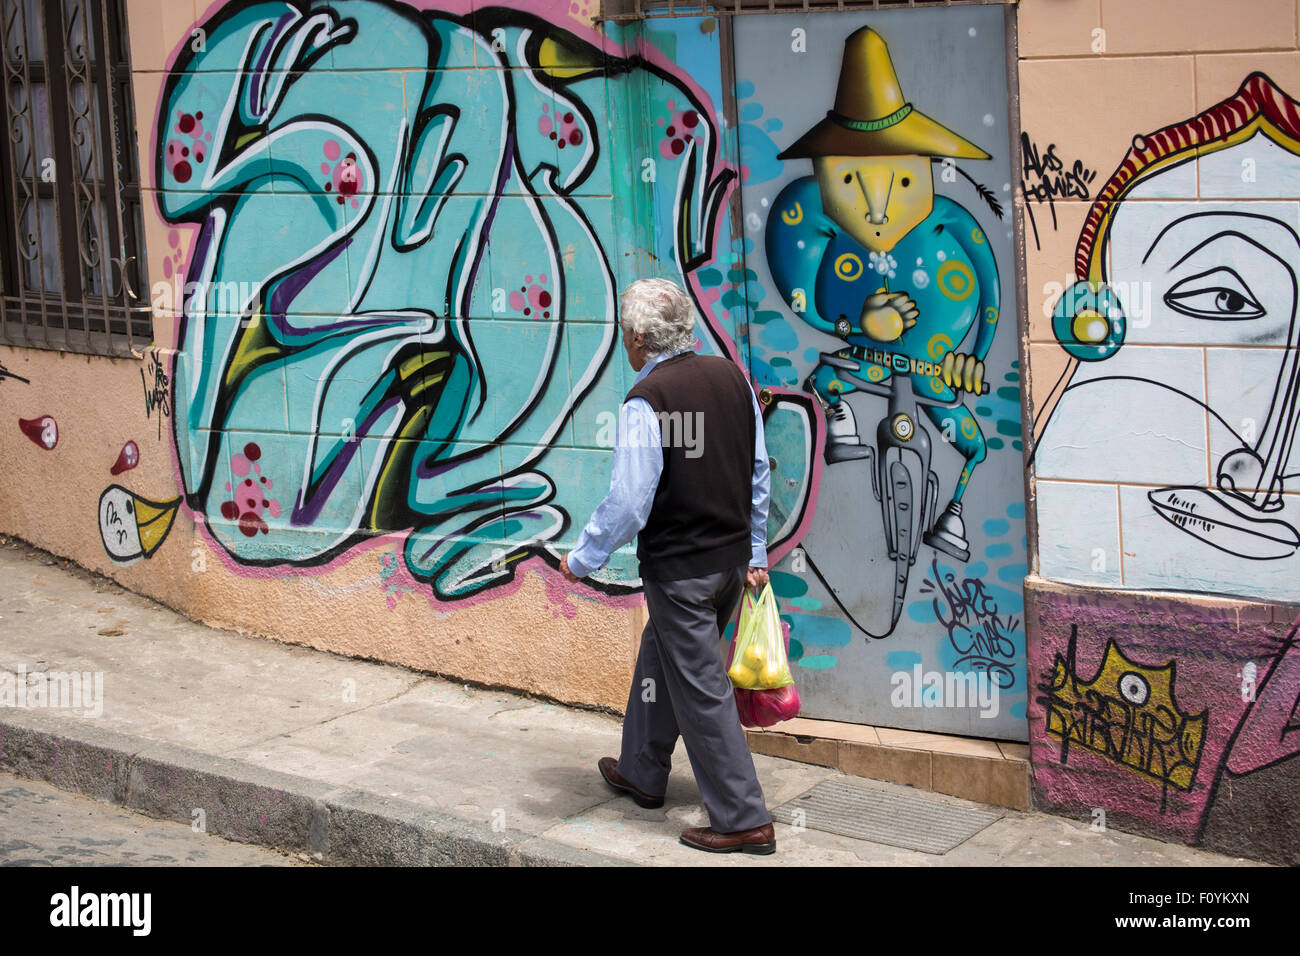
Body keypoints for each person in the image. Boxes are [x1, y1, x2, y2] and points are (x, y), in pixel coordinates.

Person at [559, 277, 777, 855]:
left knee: (701, 689)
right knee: (665, 654)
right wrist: (755, 551)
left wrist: (584, 558)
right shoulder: (733, 379)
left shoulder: (647, 400)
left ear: (635, 336)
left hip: (681, 570)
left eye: (622, 334)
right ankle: (642, 768)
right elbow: (759, 472)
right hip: (728, 564)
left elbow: (631, 500)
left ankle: (742, 817)